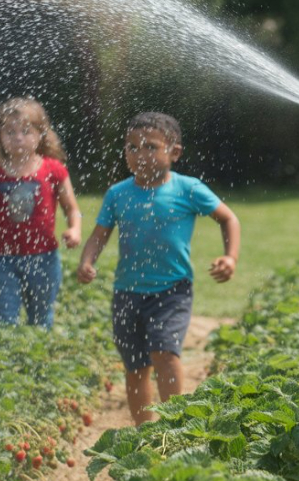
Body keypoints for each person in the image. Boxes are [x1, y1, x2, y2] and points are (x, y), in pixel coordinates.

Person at [76, 112, 241, 425]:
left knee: (165, 355)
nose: (140, 155)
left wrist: (229, 257)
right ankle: (145, 434)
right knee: (135, 368)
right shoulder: (118, 194)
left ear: (174, 152)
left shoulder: (188, 189)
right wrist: (87, 261)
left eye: (150, 147)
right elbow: (100, 236)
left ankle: (177, 426)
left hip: (172, 290)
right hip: (127, 292)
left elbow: (228, 218)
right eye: (132, 148)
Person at [0, 97, 81, 328]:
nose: (18, 137)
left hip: (44, 258)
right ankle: (7, 360)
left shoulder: (53, 169)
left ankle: (36, 359)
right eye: (9, 132)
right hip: (3, 259)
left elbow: (72, 208)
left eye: (26, 131)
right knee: (3, 319)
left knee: (41, 319)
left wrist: (75, 229)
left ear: (41, 135)